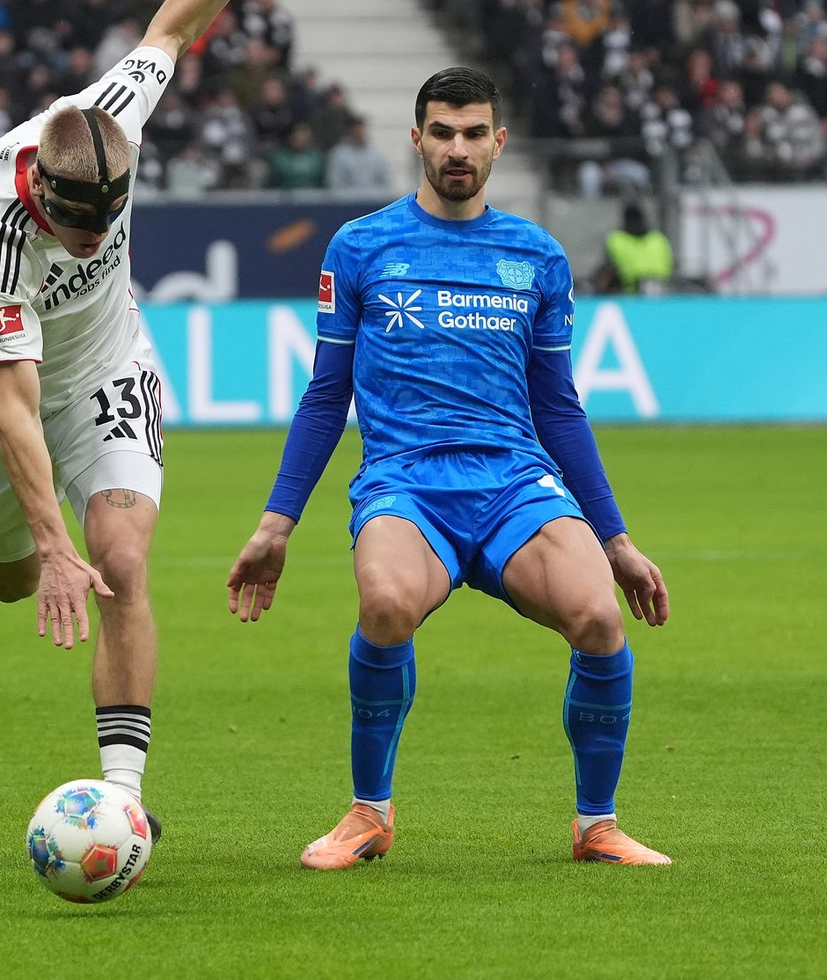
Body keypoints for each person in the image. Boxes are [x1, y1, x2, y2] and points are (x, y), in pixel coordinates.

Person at [228, 67, 671, 869]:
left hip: (514, 484)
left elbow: (559, 407)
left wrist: (617, 538)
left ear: (499, 142)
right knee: (386, 602)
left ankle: (597, 824)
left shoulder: (537, 256)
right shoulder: (360, 247)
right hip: (405, 483)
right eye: (442, 132)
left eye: (473, 133)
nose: (457, 149)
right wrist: (275, 523)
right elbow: (326, 396)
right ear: (417, 139)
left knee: (600, 618)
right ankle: (369, 812)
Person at [0, 0, 283, 841]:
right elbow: (13, 402)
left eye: (107, 224)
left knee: (121, 557)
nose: (93, 240)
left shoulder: (112, 116)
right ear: (40, 189)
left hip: (109, 364)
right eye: (76, 227)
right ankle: (22, 538)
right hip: (6, 390)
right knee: (11, 581)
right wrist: (48, 545)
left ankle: (121, 798)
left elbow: (172, 25)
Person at [592, 202, 675, 294]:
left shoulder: (616, 239)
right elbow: (670, 266)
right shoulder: (659, 238)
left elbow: (608, 269)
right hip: (663, 292)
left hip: (630, 293)